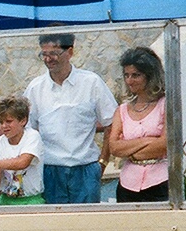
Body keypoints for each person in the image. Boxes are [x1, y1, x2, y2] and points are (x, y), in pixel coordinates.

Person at [23, 32, 118, 204]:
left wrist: (102, 163)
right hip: (50, 171)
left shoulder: (91, 82)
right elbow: (28, 130)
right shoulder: (35, 88)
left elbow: (112, 122)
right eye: (44, 54)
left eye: (54, 53)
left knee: (87, 225)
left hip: (86, 169)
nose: (48, 59)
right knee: (55, 227)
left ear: (70, 52)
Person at [105, 47, 170, 203]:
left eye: (136, 75)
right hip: (127, 185)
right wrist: (148, 140)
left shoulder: (166, 104)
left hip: (160, 182)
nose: (129, 81)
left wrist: (129, 149)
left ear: (149, 76)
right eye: (127, 75)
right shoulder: (122, 110)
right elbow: (114, 147)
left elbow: (164, 144)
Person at [0, 96, 45, 206]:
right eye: (1, 122)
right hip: (6, 199)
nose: (4, 126)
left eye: (9, 121)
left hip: (31, 200)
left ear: (23, 121)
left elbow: (23, 162)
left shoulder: (32, 137)